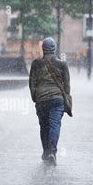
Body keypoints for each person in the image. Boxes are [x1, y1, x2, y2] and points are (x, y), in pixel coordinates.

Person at [29, 37, 70, 166]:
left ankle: (46, 151)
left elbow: (32, 83)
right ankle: (52, 151)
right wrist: (66, 97)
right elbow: (67, 84)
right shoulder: (62, 64)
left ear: (43, 49)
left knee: (44, 126)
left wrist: (35, 96)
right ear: (54, 48)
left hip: (42, 99)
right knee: (55, 125)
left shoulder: (36, 63)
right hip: (57, 99)